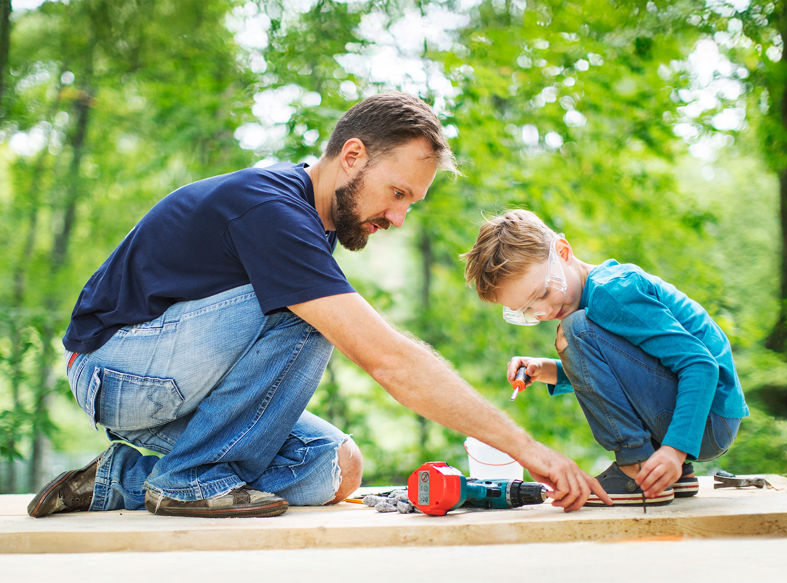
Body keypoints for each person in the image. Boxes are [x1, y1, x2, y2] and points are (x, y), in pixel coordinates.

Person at [28, 93, 609, 519]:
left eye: (413, 202)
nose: (400, 217)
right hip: (116, 369)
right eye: (398, 193)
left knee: (335, 467)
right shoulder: (271, 211)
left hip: (176, 380)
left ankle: (121, 479)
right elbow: (389, 361)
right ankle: (186, 478)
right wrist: (528, 450)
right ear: (352, 155)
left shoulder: (307, 221)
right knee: (312, 319)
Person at [462, 209, 748, 506]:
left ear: (563, 252)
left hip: (707, 419)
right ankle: (670, 475)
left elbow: (700, 365)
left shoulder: (611, 291)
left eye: (544, 293)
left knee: (575, 329)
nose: (543, 312)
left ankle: (635, 469)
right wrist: (549, 370)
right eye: (527, 310)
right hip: (709, 418)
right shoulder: (601, 292)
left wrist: (674, 450)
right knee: (578, 329)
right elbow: (629, 372)